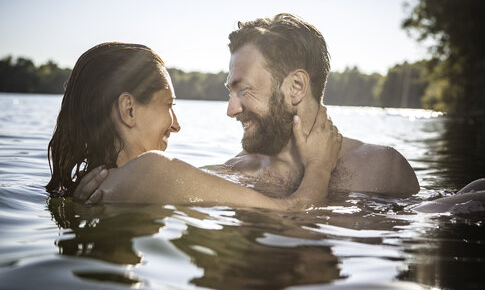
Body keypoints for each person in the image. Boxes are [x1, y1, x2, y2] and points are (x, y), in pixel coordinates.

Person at [47, 42, 341, 210]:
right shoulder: (152, 170)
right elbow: (293, 211)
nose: (176, 125)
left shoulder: (86, 189)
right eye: (169, 106)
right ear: (129, 109)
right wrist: (319, 164)